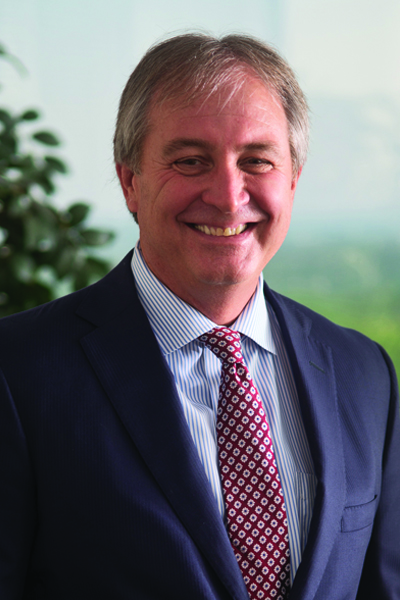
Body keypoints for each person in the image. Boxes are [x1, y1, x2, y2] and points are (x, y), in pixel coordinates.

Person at [0, 33, 399, 600]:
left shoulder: (365, 374)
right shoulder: (16, 374)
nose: (228, 195)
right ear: (130, 182)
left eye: (257, 160)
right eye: (191, 161)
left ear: (292, 180)